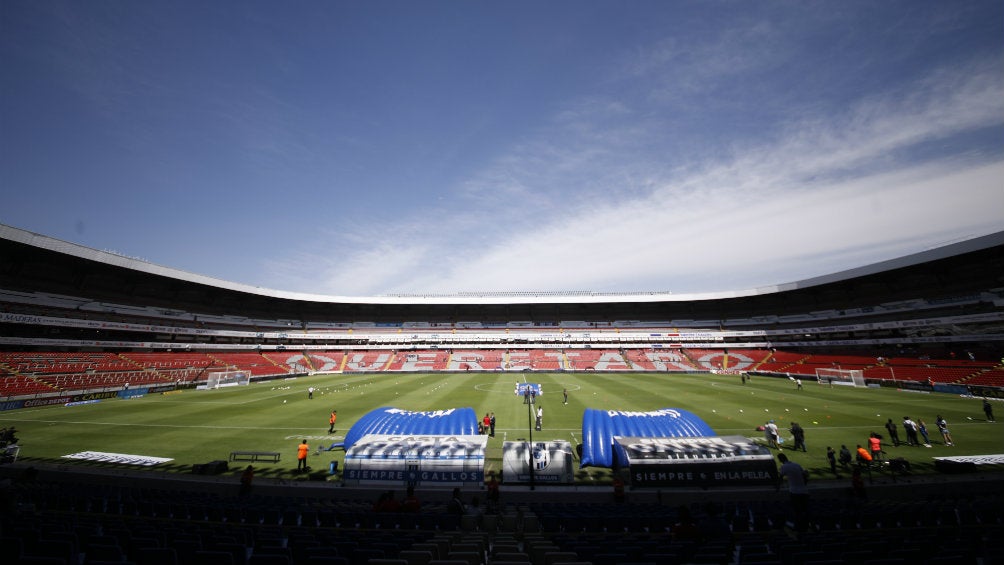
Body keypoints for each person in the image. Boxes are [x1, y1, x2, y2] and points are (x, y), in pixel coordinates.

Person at [776, 453, 809, 532]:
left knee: (797, 511)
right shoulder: (796, 465)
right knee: (804, 510)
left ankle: (798, 528)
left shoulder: (784, 467)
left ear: (780, 460)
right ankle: (805, 527)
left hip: (794, 491)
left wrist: (778, 487)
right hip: (804, 491)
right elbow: (805, 475)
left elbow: (780, 478)